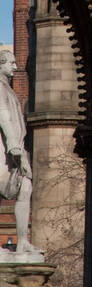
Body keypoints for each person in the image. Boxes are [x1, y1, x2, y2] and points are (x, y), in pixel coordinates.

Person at [0, 50, 37, 254]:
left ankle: (22, 242)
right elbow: (4, 116)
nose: (15, 67)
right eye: (11, 63)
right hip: (6, 151)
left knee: (26, 188)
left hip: (13, 149)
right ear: (1, 64)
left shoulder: (8, 89)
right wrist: (15, 148)